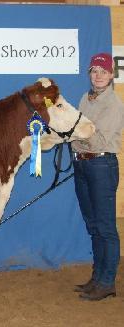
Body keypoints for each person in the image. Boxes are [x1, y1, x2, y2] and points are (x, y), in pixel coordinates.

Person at [72, 53, 124, 301]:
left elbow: (98, 139)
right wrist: (76, 134)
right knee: (93, 225)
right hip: (82, 165)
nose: (99, 76)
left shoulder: (114, 104)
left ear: (111, 75)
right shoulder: (85, 98)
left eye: (103, 71)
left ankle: (107, 282)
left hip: (102, 164)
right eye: (94, 71)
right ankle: (97, 277)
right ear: (89, 74)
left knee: (105, 227)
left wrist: (76, 132)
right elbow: (79, 133)